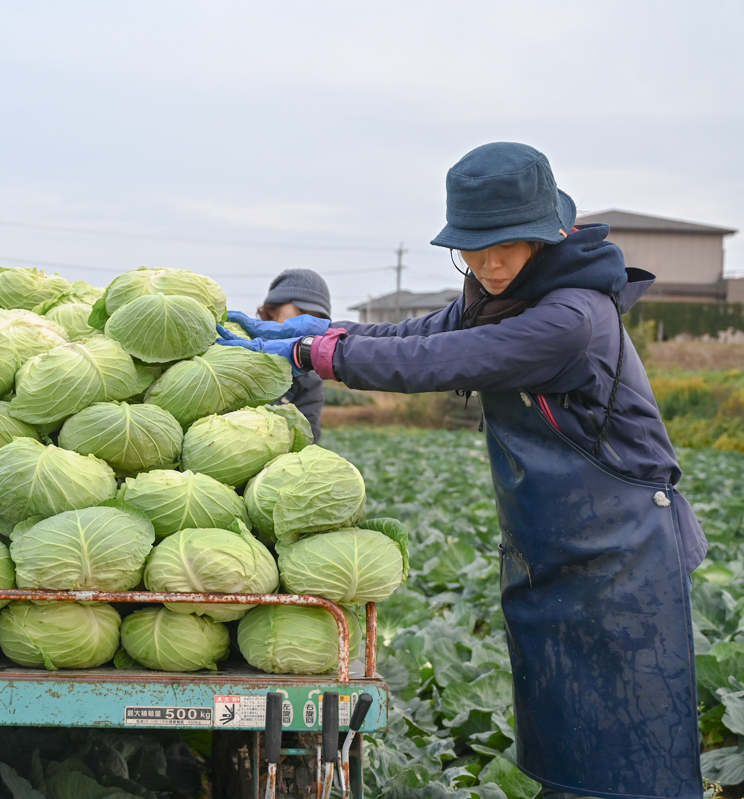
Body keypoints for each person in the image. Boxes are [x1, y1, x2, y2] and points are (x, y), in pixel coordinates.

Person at [220, 142, 705, 799]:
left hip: (624, 556)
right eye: (473, 247)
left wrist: (310, 352)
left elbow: (440, 362)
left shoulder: (570, 317)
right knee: (568, 744)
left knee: (628, 757)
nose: (489, 261)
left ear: (549, 234)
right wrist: (327, 329)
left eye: (506, 243)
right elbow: (417, 336)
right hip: (556, 546)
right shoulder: (497, 293)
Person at [253, 268, 331, 442]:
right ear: (272, 309)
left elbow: (306, 439)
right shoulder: (233, 349)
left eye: (316, 319)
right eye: (303, 313)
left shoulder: (308, 381)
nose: (307, 325)